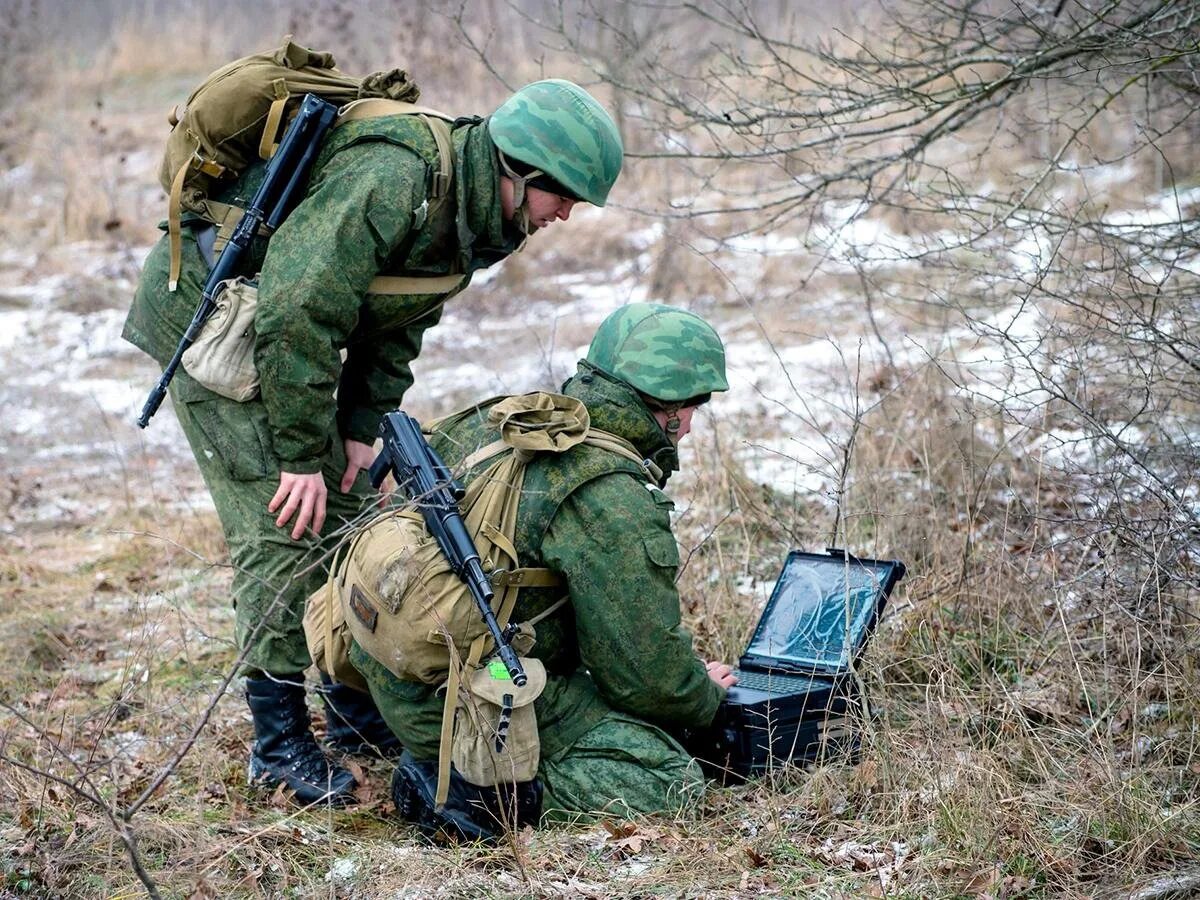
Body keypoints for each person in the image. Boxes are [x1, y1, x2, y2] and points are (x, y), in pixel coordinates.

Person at [122, 79, 624, 805]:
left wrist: (362, 427)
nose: (568, 214)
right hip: (219, 320)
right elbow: (298, 306)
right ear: (523, 172)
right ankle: (279, 743)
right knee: (285, 522)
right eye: (565, 195)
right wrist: (300, 457)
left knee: (355, 510)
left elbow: (402, 313)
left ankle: (355, 711)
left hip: (292, 331)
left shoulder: (486, 214)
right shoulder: (397, 175)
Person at [347, 303, 738, 838]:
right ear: (665, 408)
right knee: (668, 779)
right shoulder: (609, 495)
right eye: (693, 407)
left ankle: (436, 754)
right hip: (471, 702)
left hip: (389, 672)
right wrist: (704, 697)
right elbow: (645, 679)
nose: (691, 427)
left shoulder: (504, 420)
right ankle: (472, 799)